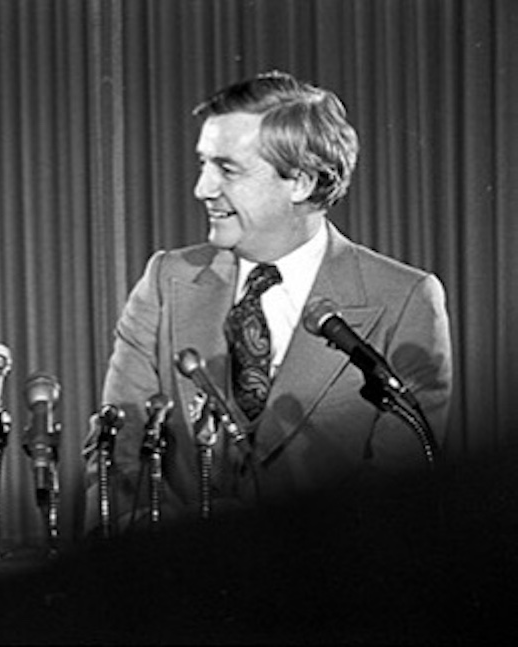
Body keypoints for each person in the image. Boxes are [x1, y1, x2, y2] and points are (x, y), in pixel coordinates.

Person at [84, 71, 452, 532]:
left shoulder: (404, 301)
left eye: (227, 169)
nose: (202, 188)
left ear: (299, 181)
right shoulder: (165, 281)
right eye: (203, 164)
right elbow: (118, 457)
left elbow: (399, 499)